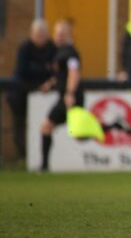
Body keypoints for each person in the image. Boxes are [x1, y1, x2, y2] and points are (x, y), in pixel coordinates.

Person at [7, 19, 56, 158]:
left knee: (43, 124)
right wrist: (44, 71)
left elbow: (56, 71)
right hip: (20, 96)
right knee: (20, 124)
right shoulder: (25, 48)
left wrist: (48, 79)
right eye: (38, 34)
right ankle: (23, 156)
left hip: (45, 97)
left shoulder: (52, 48)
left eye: (43, 34)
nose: (40, 37)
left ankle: (37, 157)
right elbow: (23, 70)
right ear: (31, 34)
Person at [40, 20, 84, 171]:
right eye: (55, 33)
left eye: (59, 34)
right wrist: (50, 83)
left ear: (67, 35)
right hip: (66, 97)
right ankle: (44, 166)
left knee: (48, 127)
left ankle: (44, 167)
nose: (56, 36)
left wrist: (69, 93)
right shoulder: (60, 52)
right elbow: (61, 74)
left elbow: (73, 73)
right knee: (78, 134)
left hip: (69, 98)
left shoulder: (70, 53)